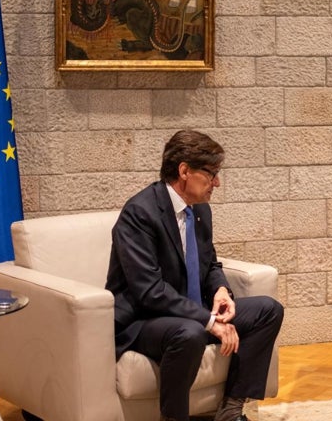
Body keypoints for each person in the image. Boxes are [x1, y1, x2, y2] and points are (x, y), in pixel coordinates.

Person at [106, 130, 284, 421]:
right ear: (184, 170)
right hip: (144, 319)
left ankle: (231, 410)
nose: (217, 182)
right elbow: (149, 291)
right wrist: (208, 321)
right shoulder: (139, 213)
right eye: (211, 173)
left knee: (268, 310)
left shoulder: (200, 210)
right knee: (189, 334)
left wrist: (221, 291)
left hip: (189, 310)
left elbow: (210, 263)